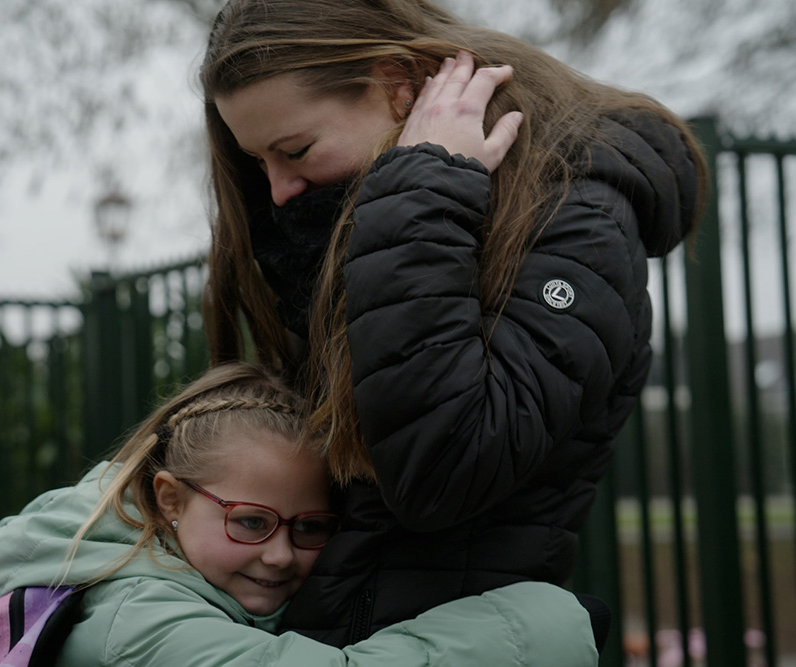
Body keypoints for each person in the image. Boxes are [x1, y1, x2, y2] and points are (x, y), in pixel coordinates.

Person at [200, 0, 707, 646]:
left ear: (398, 83)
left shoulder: (578, 218)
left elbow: (442, 468)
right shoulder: (345, 221)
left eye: (294, 150)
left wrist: (425, 190)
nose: (277, 191)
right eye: (257, 164)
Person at [0, 362, 599, 665]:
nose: (279, 556)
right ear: (170, 499)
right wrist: (545, 620)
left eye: (310, 528)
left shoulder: (132, 571)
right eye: (250, 521)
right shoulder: (136, 621)